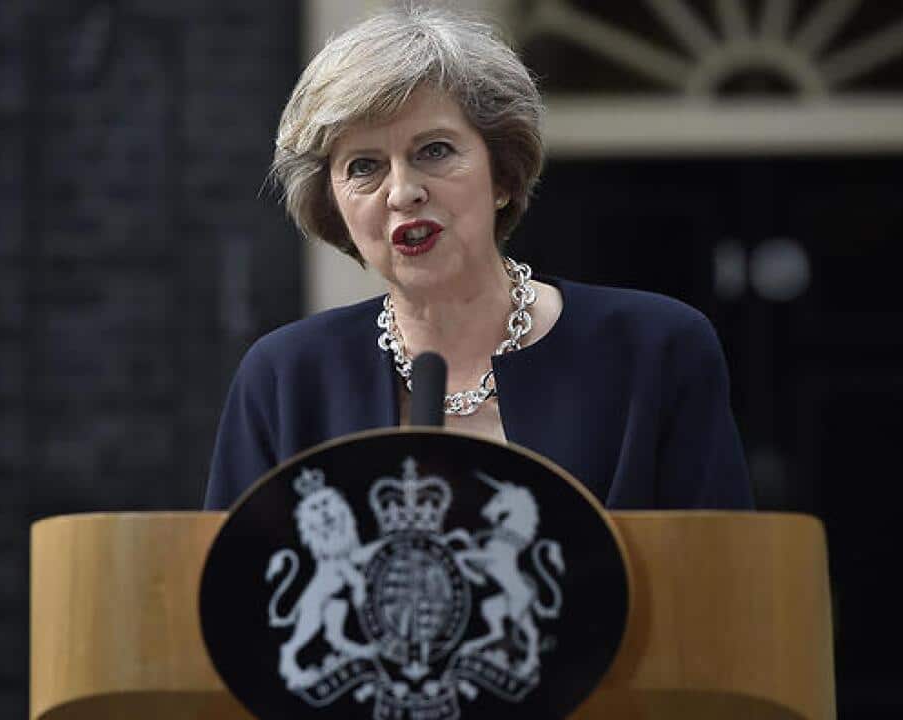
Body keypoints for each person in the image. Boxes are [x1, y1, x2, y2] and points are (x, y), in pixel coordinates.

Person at [203, 5, 752, 510]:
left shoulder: (656, 350)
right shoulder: (284, 379)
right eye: (364, 167)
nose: (401, 192)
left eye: (434, 151)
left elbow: (720, 585)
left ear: (503, 177)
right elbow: (236, 598)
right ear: (333, 204)